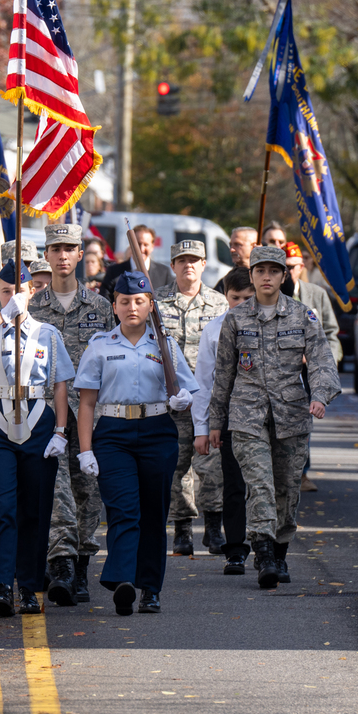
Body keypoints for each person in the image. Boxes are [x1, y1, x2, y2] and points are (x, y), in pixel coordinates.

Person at [208, 246, 340, 588]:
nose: (266, 277)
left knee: (286, 489)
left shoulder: (303, 316)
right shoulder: (235, 319)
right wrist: (214, 423)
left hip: (292, 414)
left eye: (273, 271)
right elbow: (223, 375)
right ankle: (263, 552)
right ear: (250, 276)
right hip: (246, 414)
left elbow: (323, 362)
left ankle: (279, 551)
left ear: (284, 276)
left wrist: (321, 396)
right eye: (260, 271)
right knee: (260, 484)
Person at [74, 270, 197, 615]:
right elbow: (86, 402)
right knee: (123, 509)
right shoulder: (100, 345)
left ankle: (150, 588)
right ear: (114, 306)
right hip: (113, 433)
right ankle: (124, 579)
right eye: (125, 301)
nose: (132, 307)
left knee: (154, 513)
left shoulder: (165, 344)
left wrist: (181, 399)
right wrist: (86, 450)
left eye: (139, 301)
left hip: (158, 430)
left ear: (150, 305)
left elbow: (186, 387)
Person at [0, 259, 74, 615]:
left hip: (38, 422)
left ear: (32, 291)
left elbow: (59, 385)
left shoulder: (48, 334)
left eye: (19, 291)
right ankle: (1, 586)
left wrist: (59, 431)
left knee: (34, 510)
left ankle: (28, 586)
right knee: (4, 507)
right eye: (5, 291)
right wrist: (3, 314)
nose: (13, 297)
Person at [27, 222, 116, 602]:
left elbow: (113, 362)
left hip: (91, 417)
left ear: (81, 255)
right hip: (44, 416)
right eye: (55, 249)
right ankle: (60, 562)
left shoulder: (101, 308)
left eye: (69, 249)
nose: (62, 256)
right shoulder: (30, 309)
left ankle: (80, 563)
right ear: (45, 256)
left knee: (88, 494)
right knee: (56, 489)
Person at [155, 237, 229, 557]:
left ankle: (214, 527)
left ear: (203, 265)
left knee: (211, 465)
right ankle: (182, 528)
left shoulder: (219, 303)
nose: (188, 265)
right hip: (170, 400)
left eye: (194, 260)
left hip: (207, 398)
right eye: (182, 260)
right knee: (176, 467)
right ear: (173, 266)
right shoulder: (155, 303)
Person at [192, 266, 256, 574]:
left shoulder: (272, 324)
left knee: (264, 485)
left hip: (265, 417)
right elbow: (204, 382)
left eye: (248, 297)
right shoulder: (214, 329)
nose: (242, 303)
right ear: (225, 297)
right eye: (235, 297)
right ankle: (236, 548)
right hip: (230, 417)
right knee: (233, 484)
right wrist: (203, 427)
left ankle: (267, 544)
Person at [278, 240, 343, 491]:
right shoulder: (271, 294)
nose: (289, 271)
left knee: (305, 422)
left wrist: (324, 363)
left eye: (293, 266)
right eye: (284, 266)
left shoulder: (317, 294)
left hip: (309, 371)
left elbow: (331, 332)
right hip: (280, 370)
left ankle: (302, 473)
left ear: (301, 266)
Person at [100, 224, 172, 298]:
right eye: (138, 244)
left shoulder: (164, 273)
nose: (141, 249)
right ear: (131, 244)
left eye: (146, 245)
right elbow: (105, 300)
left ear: (152, 246)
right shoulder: (114, 272)